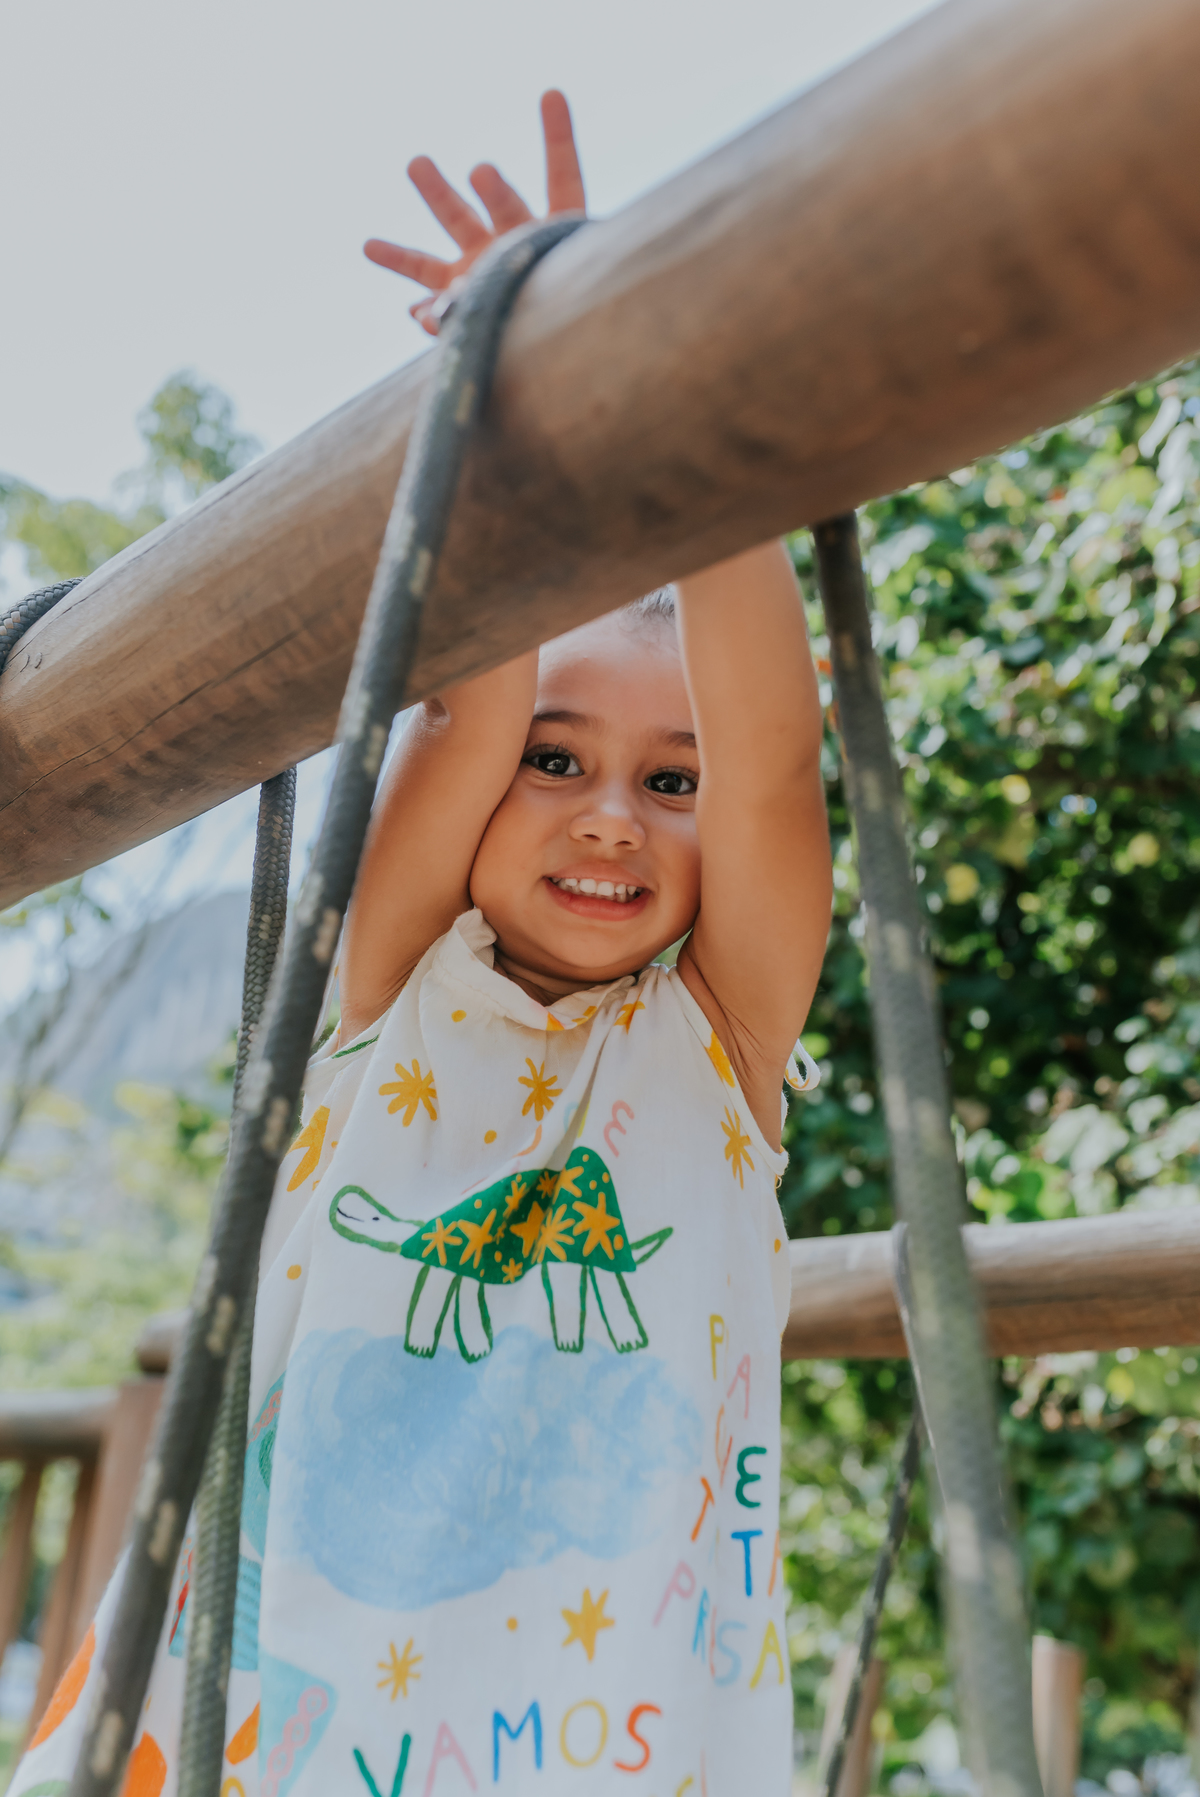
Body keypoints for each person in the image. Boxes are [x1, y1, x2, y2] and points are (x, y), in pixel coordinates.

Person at [14, 91, 831, 1797]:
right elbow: (460, 712)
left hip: (598, 1733)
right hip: (280, 1700)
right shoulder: (384, 996)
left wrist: (665, 379)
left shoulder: (721, 1042)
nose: (615, 814)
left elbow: (774, 773)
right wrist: (531, 410)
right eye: (562, 758)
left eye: (664, 781)